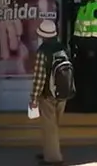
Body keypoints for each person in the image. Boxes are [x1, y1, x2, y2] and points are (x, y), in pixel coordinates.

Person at [30, 19, 70, 166]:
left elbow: (39, 77)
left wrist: (33, 97)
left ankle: (53, 158)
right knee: (54, 126)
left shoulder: (43, 51)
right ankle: (49, 151)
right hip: (62, 93)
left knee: (49, 127)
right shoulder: (63, 48)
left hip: (48, 95)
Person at [71, 0, 97, 112]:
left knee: (92, 78)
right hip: (83, 47)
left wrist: (92, 49)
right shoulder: (85, 4)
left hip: (92, 48)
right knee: (84, 77)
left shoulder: (96, 5)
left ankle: (92, 105)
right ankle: (85, 103)